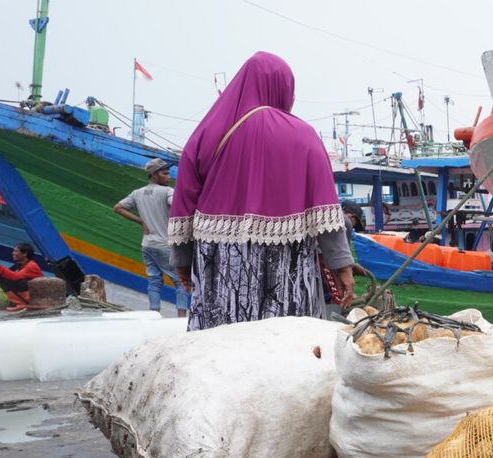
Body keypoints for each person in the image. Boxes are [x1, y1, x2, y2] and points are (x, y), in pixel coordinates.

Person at [168, 51, 354, 331]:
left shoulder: (205, 133)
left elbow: (183, 203)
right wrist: (341, 265)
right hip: (286, 262)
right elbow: (325, 209)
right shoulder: (304, 136)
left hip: (220, 263)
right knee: (286, 346)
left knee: (219, 346)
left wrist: (181, 262)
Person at [113, 158, 190, 317]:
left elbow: (118, 208)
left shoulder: (137, 193)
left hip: (147, 245)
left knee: (154, 281)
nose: (169, 177)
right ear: (154, 175)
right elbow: (177, 205)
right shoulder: (168, 191)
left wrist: (141, 221)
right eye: (165, 173)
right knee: (180, 282)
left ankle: (153, 315)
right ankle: (181, 318)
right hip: (165, 245)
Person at [0, 242, 42, 312]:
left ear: (25, 254)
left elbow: (15, 277)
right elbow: (5, 273)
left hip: (37, 294)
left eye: (16, 251)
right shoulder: (19, 264)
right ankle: (21, 303)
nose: (13, 253)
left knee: (15, 281)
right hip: (29, 291)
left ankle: (22, 304)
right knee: (3, 278)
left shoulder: (31, 265)